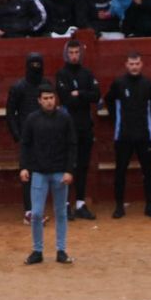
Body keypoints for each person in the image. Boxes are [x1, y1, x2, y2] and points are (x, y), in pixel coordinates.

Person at [19, 85, 75, 266]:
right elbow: (25, 144)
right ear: (39, 100)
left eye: (51, 98)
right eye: (45, 98)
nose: (49, 101)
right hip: (39, 172)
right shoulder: (32, 119)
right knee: (36, 213)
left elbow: (72, 145)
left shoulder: (64, 118)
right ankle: (37, 251)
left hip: (59, 172)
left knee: (61, 213)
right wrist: (24, 167)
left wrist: (69, 170)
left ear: (55, 99)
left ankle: (61, 250)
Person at [106, 52, 151, 220]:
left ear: (141, 64)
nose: (134, 67)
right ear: (126, 65)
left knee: (148, 171)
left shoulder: (149, 84)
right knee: (120, 171)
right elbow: (109, 101)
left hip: (145, 134)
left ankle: (149, 205)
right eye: (131, 64)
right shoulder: (119, 83)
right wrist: (118, 120)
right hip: (123, 135)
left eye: (137, 64)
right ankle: (119, 206)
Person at [54, 41, 100, 221]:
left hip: (84, 126)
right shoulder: (62, 74)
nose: (74, 56)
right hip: (67, 127)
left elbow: (96, 95)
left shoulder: (87, 73)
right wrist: (83, 95)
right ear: (66, 54)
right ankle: (65, 204)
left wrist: (79, 93)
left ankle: (80, 203)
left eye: (76, 52)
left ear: (81, 54)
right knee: (67, 165)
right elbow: (66, 99)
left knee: (82, 165)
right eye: (71, 52)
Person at [6, 53, 47, 218]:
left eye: (38, 65)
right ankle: (29, 210)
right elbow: (10, 113)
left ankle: (38, 209)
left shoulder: (46, 85)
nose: (35, 69)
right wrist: (18, 135)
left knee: (43, 173)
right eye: (33, 65)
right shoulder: (19, 87)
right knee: (28, 173)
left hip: (45, 137)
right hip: (27, 138)